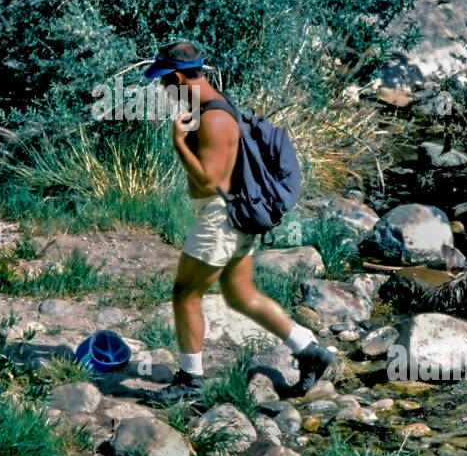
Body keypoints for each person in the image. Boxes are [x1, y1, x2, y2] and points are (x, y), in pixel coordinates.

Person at [143, 41, 335, 403]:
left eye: (164, 82)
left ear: (179, 77)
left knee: (185, 294)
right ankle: (310, 350)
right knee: (241, 295)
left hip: (220, 219)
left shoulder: (213, 119)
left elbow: (209, 181)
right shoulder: (213, 105)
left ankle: (190, 384)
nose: (163, 89)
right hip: (235, 216)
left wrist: (179, 145)